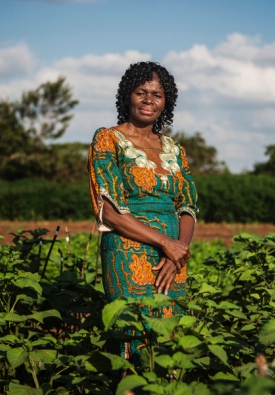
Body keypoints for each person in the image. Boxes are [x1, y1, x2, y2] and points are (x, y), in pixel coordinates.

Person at [87, 61, 198, 366]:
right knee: (132, 335)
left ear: (167, 102)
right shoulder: (107, 140)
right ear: (128, 96)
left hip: (174, 257)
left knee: (169, 337)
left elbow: (188, 206)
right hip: (127, 249)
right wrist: (165, 243)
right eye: (141, 92)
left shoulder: (175, 149)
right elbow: (108, 211)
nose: (149, 100)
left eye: (157, 94)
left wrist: (178, 251)